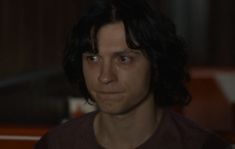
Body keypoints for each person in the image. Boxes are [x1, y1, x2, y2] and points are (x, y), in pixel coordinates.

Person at [35, 0, 232, 148]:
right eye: (93, 59)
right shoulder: (57, 144)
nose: (104, 77)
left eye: (124, 59)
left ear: (156, 64)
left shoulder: (200, 146)